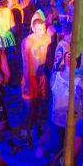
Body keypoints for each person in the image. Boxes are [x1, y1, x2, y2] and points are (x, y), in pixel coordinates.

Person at [20, 11, 51, 147]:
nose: (41, 32)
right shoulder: (27, 41)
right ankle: (25, 131)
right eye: (38, 29)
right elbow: (25, 62)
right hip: (30, 77)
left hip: (43, 77)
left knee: (41, 105)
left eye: (43, 29)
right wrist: (26, 81)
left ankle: (37, 130)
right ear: (33, 28)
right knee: (29, 107)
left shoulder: (47, 37)